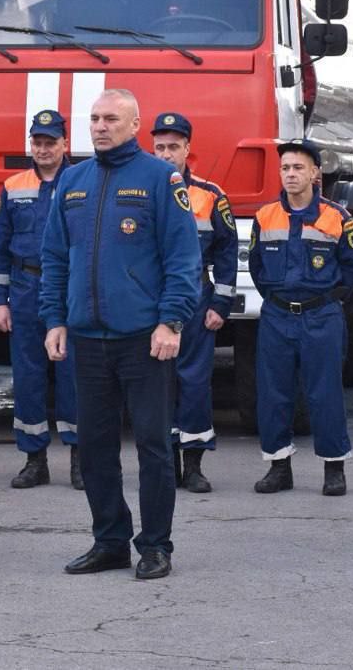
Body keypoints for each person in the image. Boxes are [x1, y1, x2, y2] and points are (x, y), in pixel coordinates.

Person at [40, 88, 201, 581]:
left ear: (135, 125)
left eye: (111, 118)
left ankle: (154, 546)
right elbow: (55, 258)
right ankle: (109, 540)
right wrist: (55, 319)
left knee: (153, 446)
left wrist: (171, 321)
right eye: (94, 118)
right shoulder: (73, 180)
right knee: (94, 447)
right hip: (87, 339)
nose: (100, 126)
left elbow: (182, 258)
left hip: (143, 339)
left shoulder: (161, 178)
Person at [249, 139, 353, 496]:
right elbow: (256, 267)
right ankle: (279, 468)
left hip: (320, 316)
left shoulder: (337, 217)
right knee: (273, 394)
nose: (291, 174)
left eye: (298, 168)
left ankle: (334, 468)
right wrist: (279, 299)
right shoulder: (264, 217)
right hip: (277, 317)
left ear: (316, 173)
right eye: (285, 168)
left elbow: (352, 270)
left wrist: (324, 301)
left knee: (324, 392)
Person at [0, 109, 82, 490]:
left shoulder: (80, 182)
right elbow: (0, 248)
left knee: (73, 377)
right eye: (37, 142)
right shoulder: (14, 186)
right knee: (27, 377)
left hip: (69, 290)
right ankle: (34, 460)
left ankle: (80, 460)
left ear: (64, 144)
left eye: (50, 142)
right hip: (25, 289)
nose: (43, 149)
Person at [150, 112, 237, 494]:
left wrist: (221, 303)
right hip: (151, 301)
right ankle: (165, 463)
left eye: (174, 147)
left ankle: (195, 466)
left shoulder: (211, 196)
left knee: (195, 382)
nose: (167, 154)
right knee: (157, 383)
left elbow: (228, 251)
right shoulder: (139, 192)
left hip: (196, 299)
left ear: (188, 149)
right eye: (160, 147)